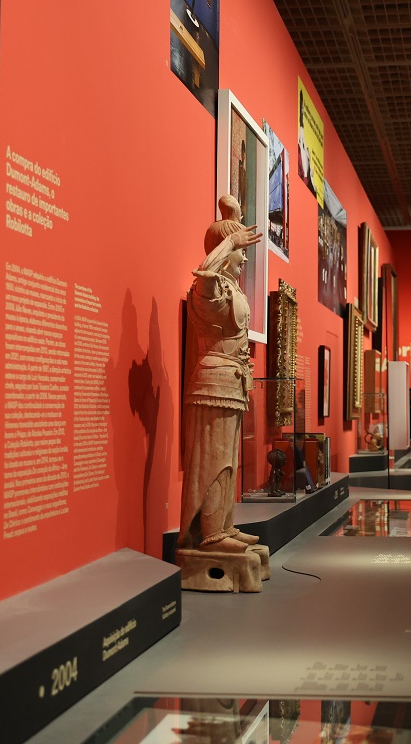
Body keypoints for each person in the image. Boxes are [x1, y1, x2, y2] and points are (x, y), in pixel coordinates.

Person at [178, 196, 263, 554]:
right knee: (214, 461)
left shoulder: (232, 289)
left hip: (232, 384)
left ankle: (224, 525)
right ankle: (211, 534)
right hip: (213, 385)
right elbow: (204, 272)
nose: (244, 258)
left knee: (230, 460)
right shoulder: (209, 289)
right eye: (241, 251)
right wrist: (229, 242)